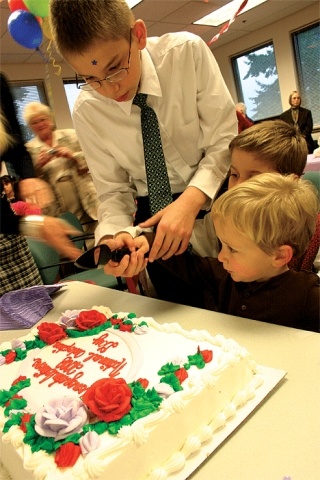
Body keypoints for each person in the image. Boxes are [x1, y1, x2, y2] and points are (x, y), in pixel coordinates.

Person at [49, 0, 237, 306]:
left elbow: (224, 141)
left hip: (221, 205)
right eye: (90, 79)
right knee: (182, 326)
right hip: (153, 229)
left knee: (242, 313)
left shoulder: (185, 54)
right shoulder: (87, 110)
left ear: (137, 35)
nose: (110, 90)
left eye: (114, 68)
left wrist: (189, 203)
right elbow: (113, 193)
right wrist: (113, 237)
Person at [107, 174, 319, 332]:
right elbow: (183, 264)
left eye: (232, 249)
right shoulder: (223, 273)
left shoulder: (308, 296)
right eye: (223, 245)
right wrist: (147, 242)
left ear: (280, 256)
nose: (221, 256)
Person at [0, 100, 82, 296]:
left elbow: (17, 150)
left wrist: (28, 177)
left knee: (38, 311)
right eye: (34, 122)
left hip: (12, 241)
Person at [23, 102, 100, 236]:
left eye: (42, 119)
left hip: (82, 190)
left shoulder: (71, 135)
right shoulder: (29, 149)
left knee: (93, 229)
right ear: (30, 127)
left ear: (50, 119)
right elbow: (29, 183)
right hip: (54, 199)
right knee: (69, 232)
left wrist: (72, 156)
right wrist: (38, 166)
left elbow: (94, 160)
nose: (40, 124)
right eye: (34, 122)